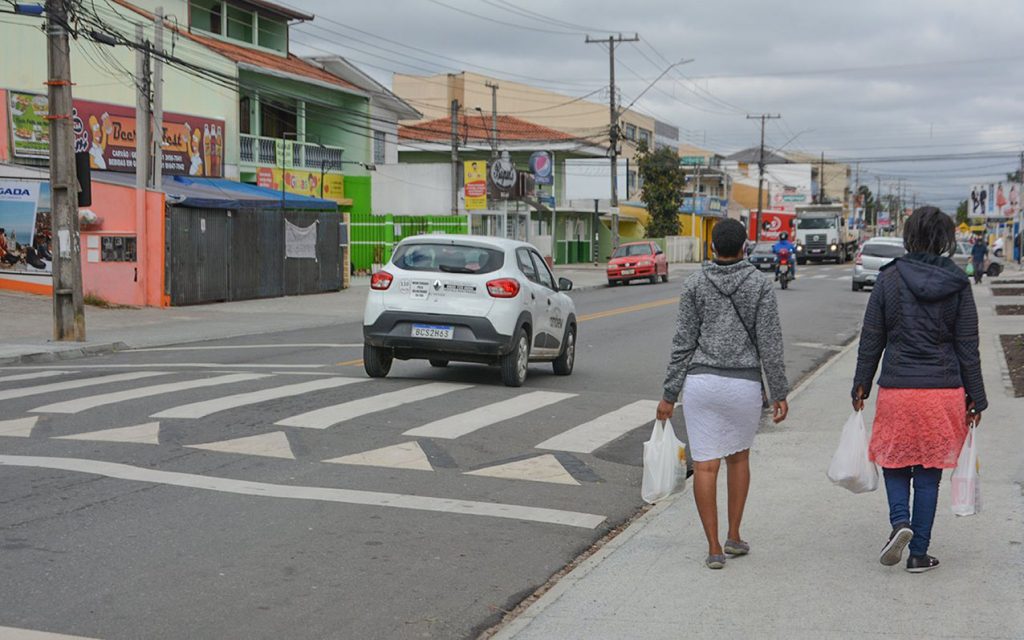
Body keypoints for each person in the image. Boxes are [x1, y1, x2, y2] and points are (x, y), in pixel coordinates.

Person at [852, 206, 986, 574]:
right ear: (944, 239)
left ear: (908, 237)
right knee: (928, 474)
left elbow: (872, 338)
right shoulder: (958, 283)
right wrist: (976, 396)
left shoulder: (889, 279)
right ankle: (918, 554)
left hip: (898, 388)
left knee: (895, 464)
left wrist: (860, 383)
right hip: (943, 392)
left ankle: (900, 524)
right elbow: (967, 347)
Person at [657, 218, 789, 570]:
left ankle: (713, 548)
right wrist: (778, 391)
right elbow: (770, 345)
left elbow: (682, 344)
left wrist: (669, 395)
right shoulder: (760, 284)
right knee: (738, 459)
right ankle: (734, 534)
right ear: (744, 247)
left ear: (712, 248)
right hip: (743, 386)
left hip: (702, 384)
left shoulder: (695, 283)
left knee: (705, 465)